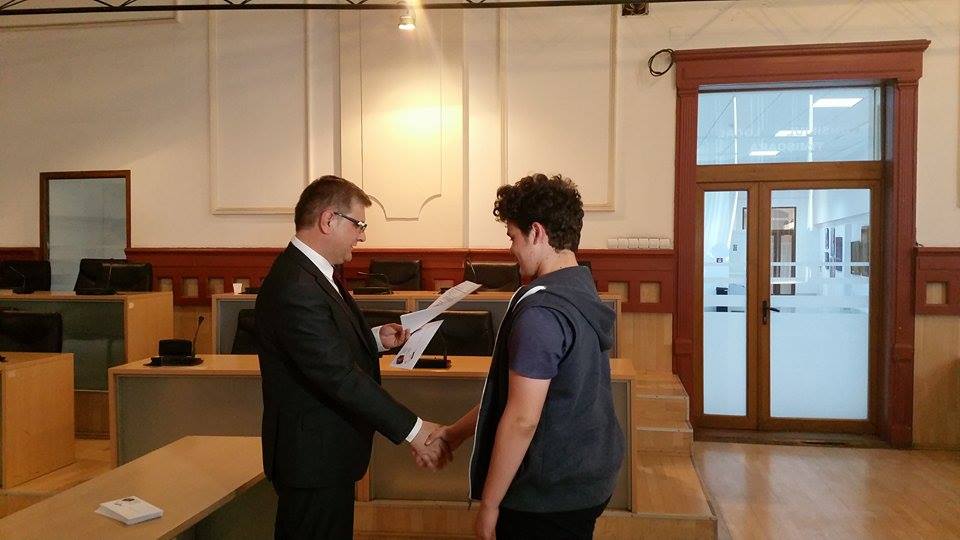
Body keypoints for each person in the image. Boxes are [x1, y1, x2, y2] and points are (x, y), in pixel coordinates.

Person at [427, 173, 624, 539]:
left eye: (512, 237)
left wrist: (489, 505)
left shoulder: (542, 312)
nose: (511, 250)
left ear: (536, 233)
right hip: (588, 475)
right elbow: (516, 398)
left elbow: (522, 419)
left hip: (549, 494)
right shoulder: (580, 287)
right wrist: (455, 433)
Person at [255, 175, 449, 539]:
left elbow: (325, 348)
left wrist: (375, 339)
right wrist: (415, 430)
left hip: (326, 456)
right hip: (312, 460)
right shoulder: (296, 284)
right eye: (358, 225)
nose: (362, 237)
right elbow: (338, 375)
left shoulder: (312, 273)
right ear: (329, 220)